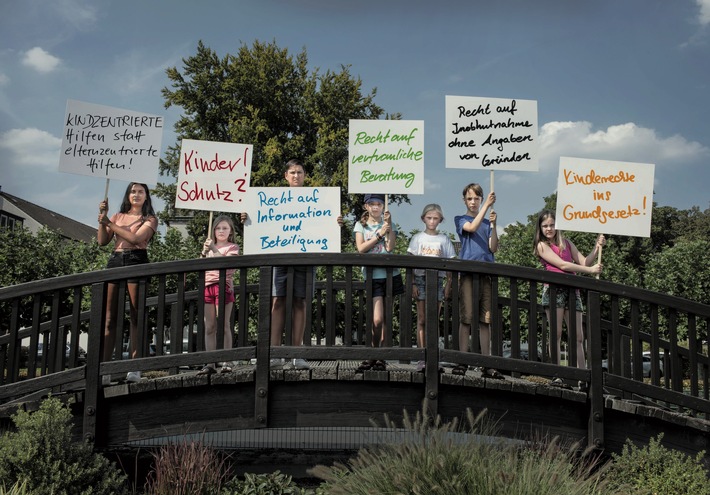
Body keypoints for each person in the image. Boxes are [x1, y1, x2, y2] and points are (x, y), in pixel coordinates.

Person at [241, 159, 342, 370]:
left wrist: (336, 222)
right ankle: (275, 354)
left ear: (305, 176)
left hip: (306, 258)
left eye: (300, 172)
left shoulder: (317, 200)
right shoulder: (272, 199)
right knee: (277, 301)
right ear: (286, 176)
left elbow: (325, 223)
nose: (296, 176)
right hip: (279, 257)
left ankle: (297, 354)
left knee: (301, 303)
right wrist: (248, 218)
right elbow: (260, 223)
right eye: (292, 172)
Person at [98, 182, 158, 384]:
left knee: (135, 316)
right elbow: (102, 241)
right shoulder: (117, 216)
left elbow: (134, 238)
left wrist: (109, 223)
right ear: (128, 195)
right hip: (115, 260)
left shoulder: (149, 219)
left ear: (146, 196)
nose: (136, 194)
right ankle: (105, 370)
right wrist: (102, 219)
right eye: (133, 191)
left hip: (136, 259)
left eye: (141, 191)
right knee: (109, 318)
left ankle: (134, 368)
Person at [533, 209, 605, 375]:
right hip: (554, 289)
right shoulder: (542, 245)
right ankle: (557, 374)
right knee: (556, 334)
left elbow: (584, 261)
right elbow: (563, 265)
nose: (549, 228)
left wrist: (596, 246)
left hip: (573, 291)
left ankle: (583, 375)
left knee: (578, 336)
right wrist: (590, 271)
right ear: (540, 228)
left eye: (552, 225)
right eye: (545, 226)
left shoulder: (567, 243)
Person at [454, 183, 503, 379]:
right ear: (464, 200)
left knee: (486, 320)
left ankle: (487, 364)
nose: (473, 202)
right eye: (470, 198)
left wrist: (493, 225)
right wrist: (486, 207)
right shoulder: (461, 219)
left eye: (477, 198)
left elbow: (493, 248)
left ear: (481, 199)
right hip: (468, 273)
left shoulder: (487, 220)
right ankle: (462, 361)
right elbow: (472, 227)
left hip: (486, 273)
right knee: (466, 318)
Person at [354, 193, 404, 372]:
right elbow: (361, 249)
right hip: (373, 275)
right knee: (377, 319)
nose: (376, 207)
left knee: (386, 319)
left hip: (390, 275)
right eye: (372, 204)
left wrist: (388, 228)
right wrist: (379, 235)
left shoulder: (390, 224)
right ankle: (374, 353)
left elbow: (390, 247)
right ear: (366, 206)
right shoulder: (361, 225)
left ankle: (381, 356)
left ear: (383, 207)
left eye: (379, 204)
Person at [407, 204, 456, 372]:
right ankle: (422, 356)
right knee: (421, 318)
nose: (432, 221)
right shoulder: (417, 238)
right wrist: (412, 283)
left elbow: (450, 263)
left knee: (434, 319)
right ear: (423, 219)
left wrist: (449, 283)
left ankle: (433, 356)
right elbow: (411, 262)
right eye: (429, 218)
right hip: (420, 279)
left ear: (440, 220)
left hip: (438, 280)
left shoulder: (444, 239)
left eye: (435, 218)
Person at [197, 215, 240, 376]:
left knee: (224, 324)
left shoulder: (232, 247)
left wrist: (214, 250)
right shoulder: (209, 247)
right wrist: (203, 252)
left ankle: (227, 361)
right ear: (213, 230)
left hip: (223, 287)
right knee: (209, 327)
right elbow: (199, 266)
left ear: (230, 232)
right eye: (218, 228)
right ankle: (210, 362)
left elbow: (228, 266)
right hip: (208, 286)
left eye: (225, 228)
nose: (221, 231)